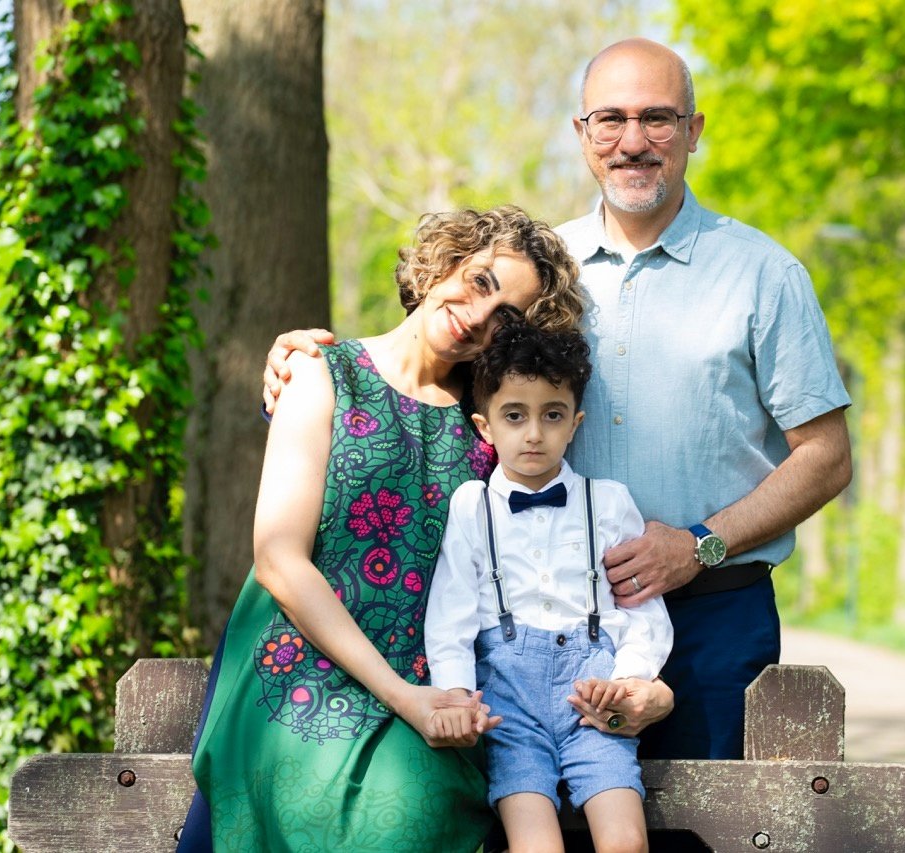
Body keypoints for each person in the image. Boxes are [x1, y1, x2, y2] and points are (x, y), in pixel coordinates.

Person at [263, 37, 852, 763]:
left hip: (712, 617)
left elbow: (826, 458)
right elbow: (443, 374)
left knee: (711, 830)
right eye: (610, 118)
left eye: (658, 118)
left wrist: (700, 544)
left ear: (694, 131)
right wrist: (311, 371)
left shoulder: (764, 274)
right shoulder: (542, 280)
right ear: (582, 135)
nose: (632, 141)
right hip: (537, 631)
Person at [177, 206, 587, 853]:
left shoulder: (492, 430)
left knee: (407, 815)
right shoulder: (320, 370)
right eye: (480, 281)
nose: (479, 314)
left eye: (505, 317)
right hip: (300, 666)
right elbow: (279, 558)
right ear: (447, 260)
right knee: (327, 804)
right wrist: (404, 698)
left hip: (435, 684)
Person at [425, 323, 672, 853]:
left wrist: (629, 680)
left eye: (551, 415)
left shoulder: (606, 501)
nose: (533, 433)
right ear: (485, 426)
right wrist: (455, 694)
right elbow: (451, 614)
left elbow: (643, 610)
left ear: (574, 423)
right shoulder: (470, 505)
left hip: (593, 694)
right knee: (536, 845)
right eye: (514, 415)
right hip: (507, 702)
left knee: (626, 840)